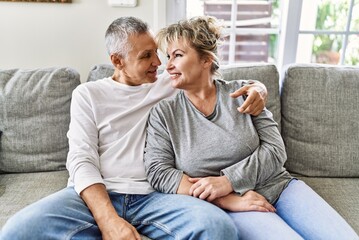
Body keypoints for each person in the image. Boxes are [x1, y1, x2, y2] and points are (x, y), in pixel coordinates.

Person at [0, 17, 269, 240]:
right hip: (94, 196)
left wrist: (259, 88)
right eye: (146, 56)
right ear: (117, 61)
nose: (159, 63)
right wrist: (108, 220)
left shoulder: (169, 83)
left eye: (157, 53)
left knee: (218, 229)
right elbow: (81, 160)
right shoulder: (88, 94)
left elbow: (212, 74)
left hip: (155, 198)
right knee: (16, 232)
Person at [143, 16, 359, 240]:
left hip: (281, 186)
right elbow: (158, 171)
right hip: (236, 203)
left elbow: (276, 151)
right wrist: (225, 197)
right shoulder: (165, 113)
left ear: (206, 60)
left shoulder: (243, 93)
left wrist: (227, 180)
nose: (167, 65)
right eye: (168, 56)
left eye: (177, 55)